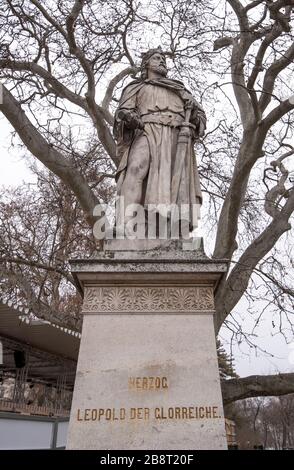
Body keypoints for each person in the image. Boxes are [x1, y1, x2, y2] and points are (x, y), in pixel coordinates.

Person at [113, 47, 206, 238]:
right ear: (146, 63)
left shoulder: (180, 91)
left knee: (178, 183)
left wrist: (196, 119)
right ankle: (126, 224)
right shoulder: (136, 88)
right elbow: (122, 114)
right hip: (146, 130)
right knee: (136, 167)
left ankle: (173, 229)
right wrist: (128, 118)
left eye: (164, 59)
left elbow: (200, 117)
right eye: (157, 58)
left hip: (176, 137)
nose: (162, 61)